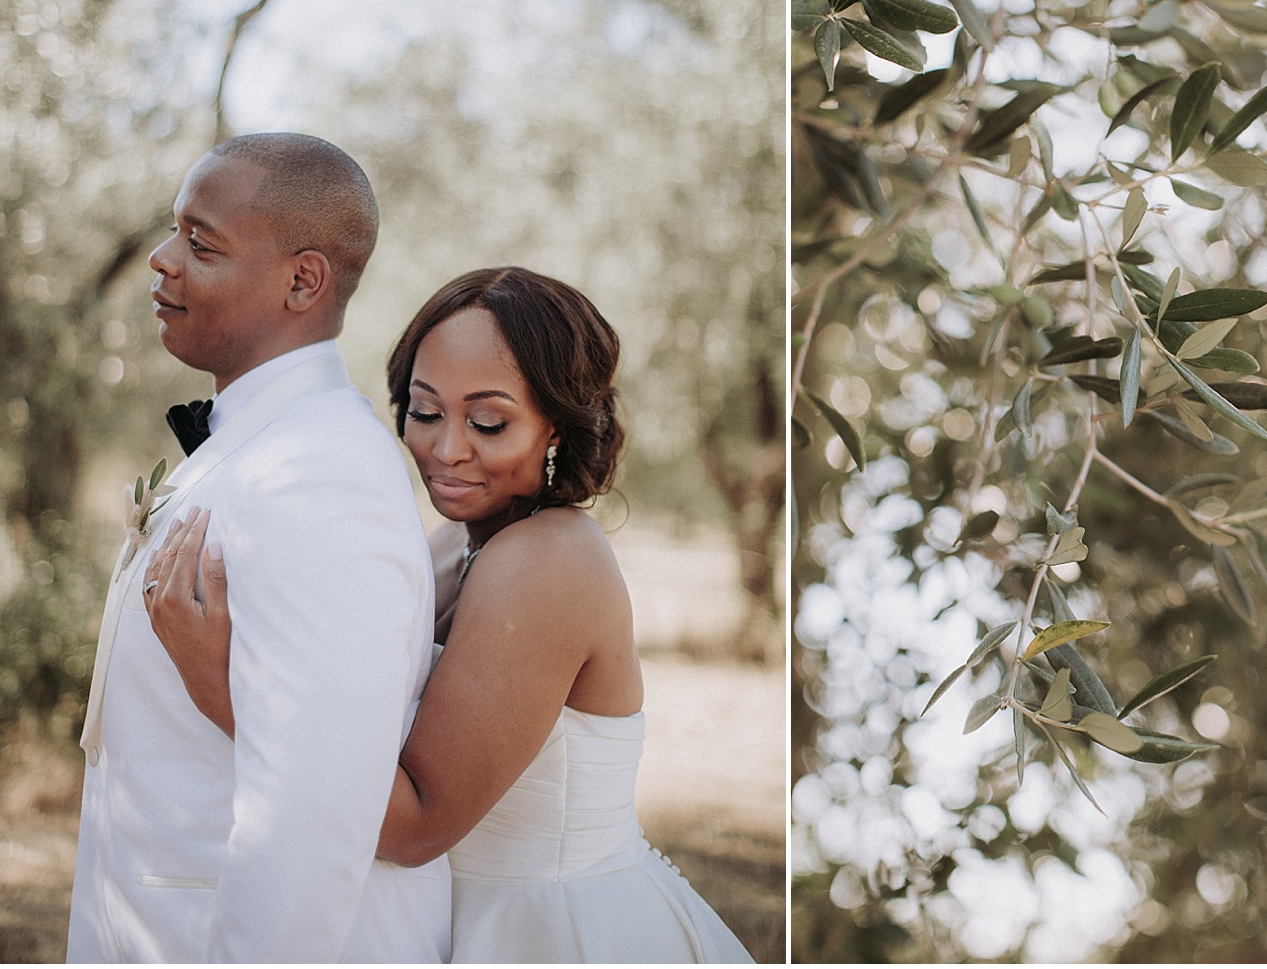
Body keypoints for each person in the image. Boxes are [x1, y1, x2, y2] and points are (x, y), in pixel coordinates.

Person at [144, 266, 754, 964]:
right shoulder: (448, 547)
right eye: (426, 411)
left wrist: (221, 688)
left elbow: (418, 825)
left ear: (557, 425)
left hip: (556, 933)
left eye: (489, 422)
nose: (446, 449)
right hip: (456, 919)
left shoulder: (547, 563)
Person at [67, 134, 452, 962]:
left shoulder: (324, 472)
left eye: (201, 244)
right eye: (174, 233)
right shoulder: (261, 443)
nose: (162, 261)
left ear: (303, 280)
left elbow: (308, 811)